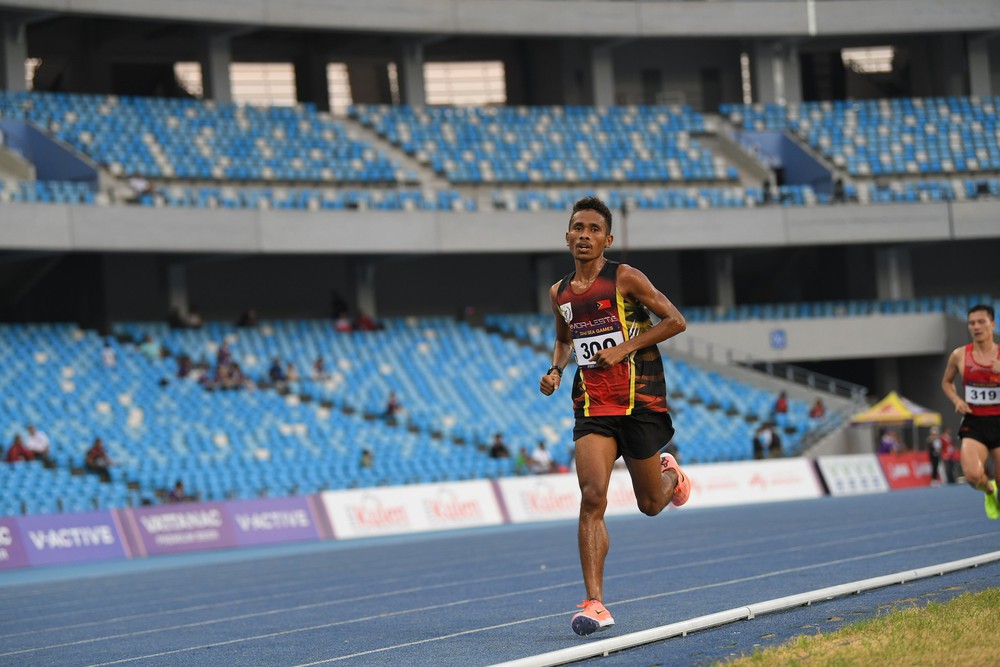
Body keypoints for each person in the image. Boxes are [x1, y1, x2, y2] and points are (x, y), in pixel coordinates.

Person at [538, 196, 690, 637]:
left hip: (638, 403)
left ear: (608, 238)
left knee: (649, 505)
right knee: (592, 498)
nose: (584, 235)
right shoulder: (559, 293)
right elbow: (564, 341)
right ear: (567, 236)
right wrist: (554, 369)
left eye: (593, 229)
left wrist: (624, 348)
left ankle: (671, 478)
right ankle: (595, 602)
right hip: (591, 407)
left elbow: (675, 321)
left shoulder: (625, 277)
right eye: (577, 228)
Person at [940, 303, 1000, 519]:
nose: (976, 327)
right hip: (975, 422)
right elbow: (946, 382)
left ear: (992, 324)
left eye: (981, 322)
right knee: (974, 476)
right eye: (971, 323)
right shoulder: (959, 356)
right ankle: (989, 491)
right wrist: (956, 400)